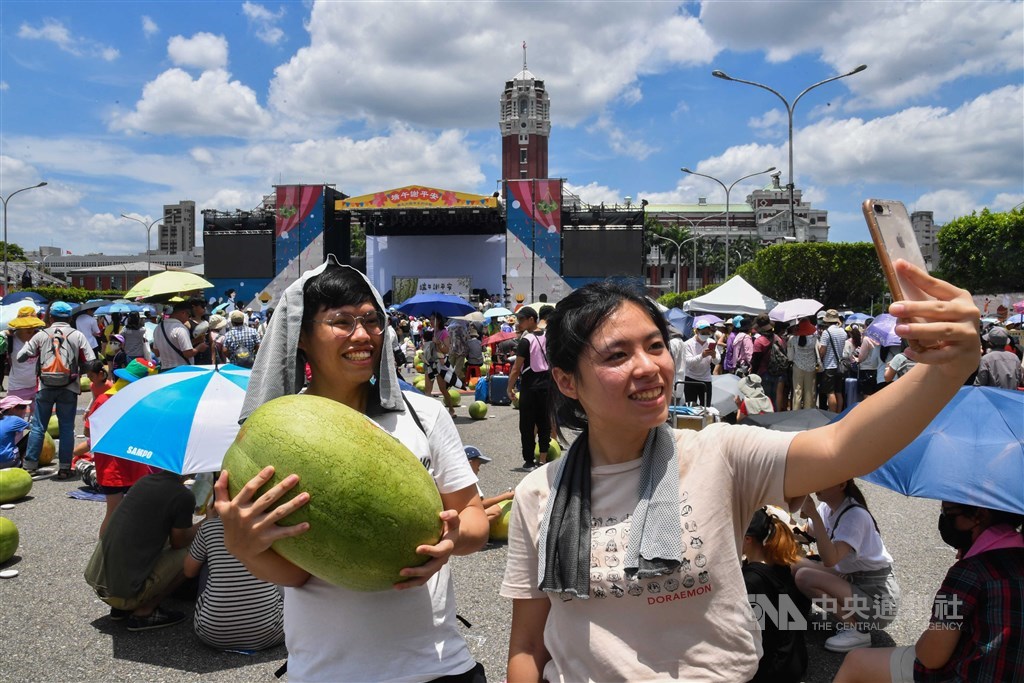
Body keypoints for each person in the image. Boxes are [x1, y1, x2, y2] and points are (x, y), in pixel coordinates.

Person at [500, 261, 980, 683]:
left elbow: (842, 447)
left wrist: (948, 366)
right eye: (617, 355)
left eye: (655, 345)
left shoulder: (719, 452)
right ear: (566, 379)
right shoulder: (539, 493)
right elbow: (527, 646)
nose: (649, 367)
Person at [213, 260, 488, 683]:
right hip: (326, 670)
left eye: (372, 321)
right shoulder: (278, 432)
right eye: (341, 321)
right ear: (301, 336)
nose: (363, 335)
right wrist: (244, 546)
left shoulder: (423, 415)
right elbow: (299, 573)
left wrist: (452, 540)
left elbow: (474, 517)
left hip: (437, 665)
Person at [834, 502, 1023, 683]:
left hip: (970, 674)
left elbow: (931, 657)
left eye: (949, 513)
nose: (944, 520)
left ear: (979, 515)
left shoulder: (968, 573)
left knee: (855, 662)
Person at [84, 467, 202, 630]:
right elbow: (179, 543)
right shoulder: (182, 495)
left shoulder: (143, 482)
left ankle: (121, 607)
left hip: (101, 584)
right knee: (192, 553)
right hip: (123, 594)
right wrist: (207, 521)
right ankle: (145, 611)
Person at [793, 479, 900, 652]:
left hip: (877, 599)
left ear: (842, 485)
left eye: (824, 478)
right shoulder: (827, 507)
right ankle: (850, 620)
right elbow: (806, 534)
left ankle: (856, 630)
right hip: (852, 579)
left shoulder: (855, 516)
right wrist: (775, 522)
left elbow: (830, 559)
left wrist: (813, 514)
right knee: (794, 564)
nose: (815, 481)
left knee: (804, 577)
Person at [183, 509, 285, 651]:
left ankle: (216, 610)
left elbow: (189, 572)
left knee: (206, 563)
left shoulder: (209, 528)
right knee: (277, 570)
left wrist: (210, 519)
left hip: (212, 634)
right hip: (271, 633)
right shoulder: (269, 525)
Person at [17, 301, 96, 478]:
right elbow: (91, 361)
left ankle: (30, 465)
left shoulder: (41, 335)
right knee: (67, 427)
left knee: (38, 427)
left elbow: (21, 356)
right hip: (70, 387)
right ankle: (65, 468)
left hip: (45, 386)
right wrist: (78, 371)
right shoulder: (78, 335)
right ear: (69, 317)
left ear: (51, 317)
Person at [742, 507, 812, 683]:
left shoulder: (751, 581)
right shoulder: (780, 564)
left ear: (748, 539)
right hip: (795, 660)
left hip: (773, 672)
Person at [507, 307, 551, 470]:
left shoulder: (526, 341)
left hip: (530, 385)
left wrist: (509, 388)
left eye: (522, 319)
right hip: (546, 384)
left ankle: (529, 461)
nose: (519, 323)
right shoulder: (548, 336)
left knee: (527, 424)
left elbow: (516, 369)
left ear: (532, 319)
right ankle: (544, 459)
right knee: (544, 422)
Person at [4, 306, 47, 403]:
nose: (30, 329)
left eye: (32, 325)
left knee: (38, 417)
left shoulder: (41, 337)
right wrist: (3, 335)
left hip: (38, 386)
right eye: (26, 326)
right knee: (15, 417)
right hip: (17, 387)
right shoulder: (9, 339)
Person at [152, 300, 208, 370]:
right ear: (183, 313)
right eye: (189, 315)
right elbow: (188, 353)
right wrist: (199, 347)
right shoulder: (181, 328)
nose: (188, 319)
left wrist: (195, 341)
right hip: (181, 369)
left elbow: (157, 353)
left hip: (164, 369)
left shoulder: (158, 328)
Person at [465, 445, 514, 523]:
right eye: (478, 465)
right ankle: (474, 530)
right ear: (470, 464)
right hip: (464, 517)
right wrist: (505, 496)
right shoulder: (469, 480)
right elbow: (482, 504)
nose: (478, 469)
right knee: (495, 511)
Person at [818, 309, 848, 412]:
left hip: (829, 366)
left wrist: (819, 358)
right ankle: (839, 414)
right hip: (840, 366)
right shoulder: (843, 332)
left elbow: (822, 350)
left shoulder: (827, 333)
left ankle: (832, 414)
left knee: (830, 393)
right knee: (838, 392)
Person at [682, 320, 717, 406]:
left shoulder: (711, 342)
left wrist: (714, 356)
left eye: (707, 333)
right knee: (690, 407)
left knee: (706, 407)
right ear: (696, 331)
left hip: (706, 379)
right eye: (703, 332)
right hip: (691, 378)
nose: (705, 335)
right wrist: (702, 355)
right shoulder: (687, 344)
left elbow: (717, 361)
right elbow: (688, 363)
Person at [787, 319, 819, 410]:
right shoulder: (814, 339)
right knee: (809, 391)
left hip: (797, 366)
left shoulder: (792, 339)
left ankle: (795, 412)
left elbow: (790, 357)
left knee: (797, 391)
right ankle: (808, 412)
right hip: (811, 367)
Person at [0, 395, 32, 469]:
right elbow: (36, 428)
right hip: (8, 462)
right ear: (11, 409)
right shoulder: (14, 419)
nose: (25, 410)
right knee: (35, 434)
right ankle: (29, 462)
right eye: (22, 407)